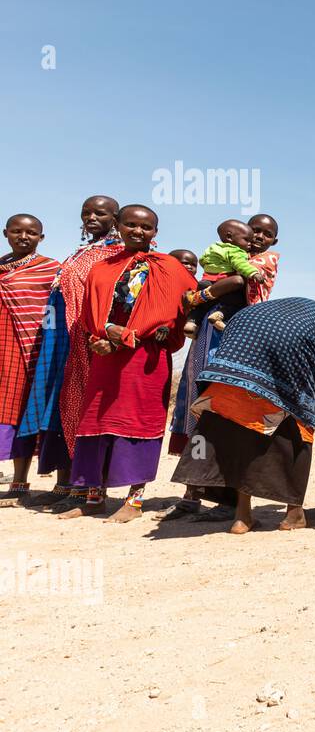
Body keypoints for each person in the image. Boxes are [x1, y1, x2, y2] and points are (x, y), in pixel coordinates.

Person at [172, 298, 315, 534]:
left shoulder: (308, 313)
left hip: (237, 340)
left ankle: (242, 516)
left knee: (245, 429)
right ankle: (294, 514)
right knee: (300, 425)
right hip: (282, 344)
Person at [58, 205, 195, 522]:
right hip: (106, 355)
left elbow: (187, 306)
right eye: (131, 224)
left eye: (146, 227)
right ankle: (93, 499)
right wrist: (104, 334)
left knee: (139, 424)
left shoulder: (172, 268)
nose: (138, 231)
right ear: (118, 227)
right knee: (96, 421)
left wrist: (152, 330)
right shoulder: (102, 268)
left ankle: (134, 502)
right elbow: (91, 311)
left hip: (146, 358)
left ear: (155, 233)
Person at [163, 215, 281, 523]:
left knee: (225, 417)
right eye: (254, 230)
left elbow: (239, 282)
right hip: (206, 339)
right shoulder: (226, 254)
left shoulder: (264, 262)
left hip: (235, 345)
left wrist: (203, 295)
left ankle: (228, 499)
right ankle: (191, 495)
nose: (258, 237)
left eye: (266, 234)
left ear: (273, 241)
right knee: (196, 412)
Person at [17, 195, 123, 513]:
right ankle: (64, 483)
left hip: (87, 341)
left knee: (83, 408)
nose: (91, 217)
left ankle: (85, 488)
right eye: (86, 212)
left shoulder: (116, 254)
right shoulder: (84, 251)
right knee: (57, 407)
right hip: (61, 339)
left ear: (115, 218)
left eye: (100, 213)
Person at [0, 215, 60, 506]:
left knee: (22, 409)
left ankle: (20, 483)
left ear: (41, 237)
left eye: (31, 232)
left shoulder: (51, 269)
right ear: (6, 233)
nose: (24, 237)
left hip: (32, 349)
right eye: (17, 231)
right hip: (2, 347)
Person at [183, 219, 266, 335]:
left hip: (205, 282)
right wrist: (253, 273)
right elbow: (240, 264)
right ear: (229, 237)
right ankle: (220, 315)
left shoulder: (212, 248)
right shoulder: (236, 251)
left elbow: (202, 261)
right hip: (225, 285)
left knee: (202, 307)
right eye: (246, 240)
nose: (249, 243)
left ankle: (191, 323)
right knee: (237, 302)